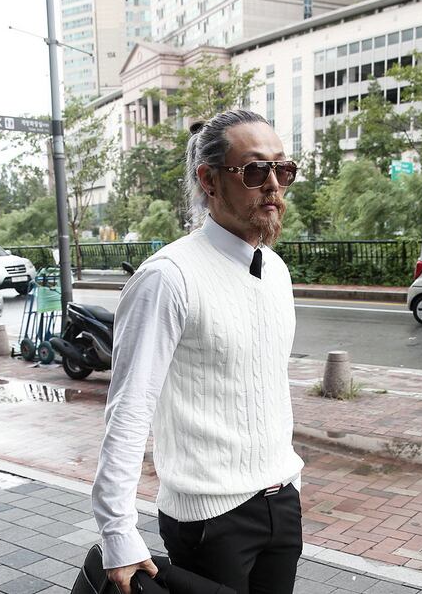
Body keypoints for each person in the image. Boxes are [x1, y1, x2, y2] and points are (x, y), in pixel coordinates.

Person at [92, 109, 304, 594]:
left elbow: (266, 387)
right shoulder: (167, 277)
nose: (273, 185)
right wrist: (117, 533)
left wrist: (290, 485)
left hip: (282, 503)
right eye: (255, 170)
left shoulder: (275, 270)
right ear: (209, 180)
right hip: (210, 517)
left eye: (283, 169)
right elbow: (129, 409)